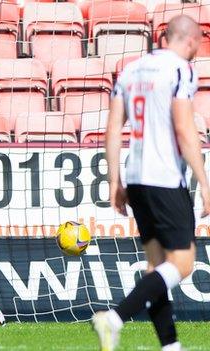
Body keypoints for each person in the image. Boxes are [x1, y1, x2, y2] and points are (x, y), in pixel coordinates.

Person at [96, 14, 210, 351]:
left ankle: (170, 347)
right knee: (183, 264)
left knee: (156, 267)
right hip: (164, 178)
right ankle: (114, 318)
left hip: (136, 177)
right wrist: (204, 181)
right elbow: (184, 130)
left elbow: (113, 129)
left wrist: (115, 179)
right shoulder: (181, 69)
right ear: (191, 41)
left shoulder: (130, 70)